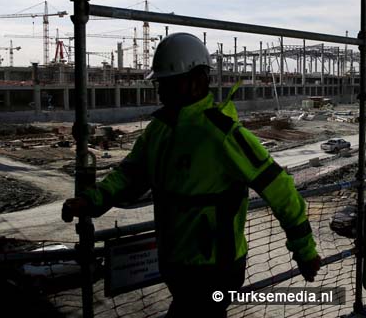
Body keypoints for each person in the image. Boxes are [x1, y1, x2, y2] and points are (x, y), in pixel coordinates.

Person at [62, 32, 321, 317]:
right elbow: (130, 175)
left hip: (214, 269)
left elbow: (281, 189)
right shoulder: (159, 130)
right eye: (160, 83)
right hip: (176, 264)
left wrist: (305, 252)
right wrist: (92, 200)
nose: (160, 91)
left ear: (197, 80)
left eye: (168, 83)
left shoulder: (222, 135)